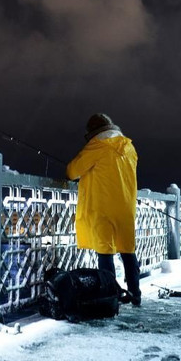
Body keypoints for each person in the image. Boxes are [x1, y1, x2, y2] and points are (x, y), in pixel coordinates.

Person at [67, 113, 142, 306]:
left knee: (105, 253)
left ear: (92, 132)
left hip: (102, 208)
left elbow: (73, 171)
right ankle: (135, 294)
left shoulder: (96, 146)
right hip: (126, 207)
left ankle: (111, 297)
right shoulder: (128, 147)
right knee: (128, 251)